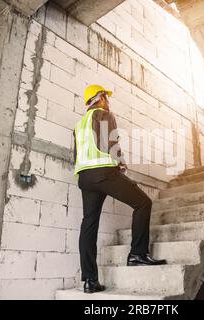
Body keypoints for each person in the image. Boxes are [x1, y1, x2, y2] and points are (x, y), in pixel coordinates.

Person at [73, 84, 167, 294]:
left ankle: (89, 281)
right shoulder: (104, 114)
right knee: (143, 202)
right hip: (104, 172)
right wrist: (120, 162)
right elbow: (110, 142)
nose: (108, 101)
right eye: (106, 97)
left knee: (88, 225)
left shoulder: (79, 124)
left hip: (85, 177)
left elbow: (76, 155)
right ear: (100, 97)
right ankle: (137, 254)